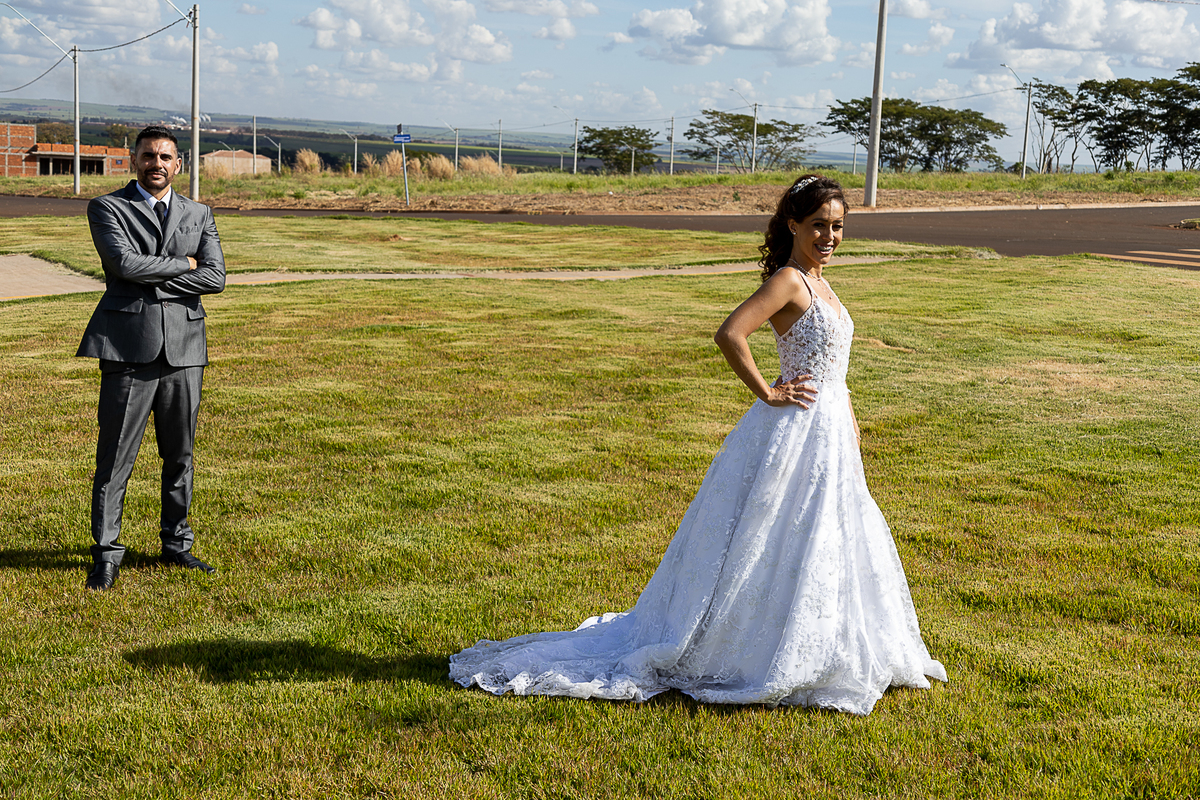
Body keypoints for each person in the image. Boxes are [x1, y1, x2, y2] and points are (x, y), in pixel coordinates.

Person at [450, 174, 947, 715]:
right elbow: (731, 333)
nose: (829, 236)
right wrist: (769, 392)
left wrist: (850, 421)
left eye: (838, 226)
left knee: (824, 532)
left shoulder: (823, 283)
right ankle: (748, 647)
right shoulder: (790, 280)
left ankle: (827, 642)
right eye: (818, 226)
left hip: (830, 435)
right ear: (793, 225)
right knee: (774, 534)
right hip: (795, 427)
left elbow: (835, 372)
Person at [77, 125, 226, 591]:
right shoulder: (107, 208)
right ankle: (106, 554)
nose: (156, 164)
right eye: (147, 156)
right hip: (128, 347)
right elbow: (123, 264)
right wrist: (185, 265)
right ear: (133, 160)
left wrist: (152, 276)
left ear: (178, 164)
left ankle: (176, 544)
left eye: (164, 157)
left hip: (185, 349)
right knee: (116, 456)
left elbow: (216, 278)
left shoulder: (199, 213)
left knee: (180, 454)